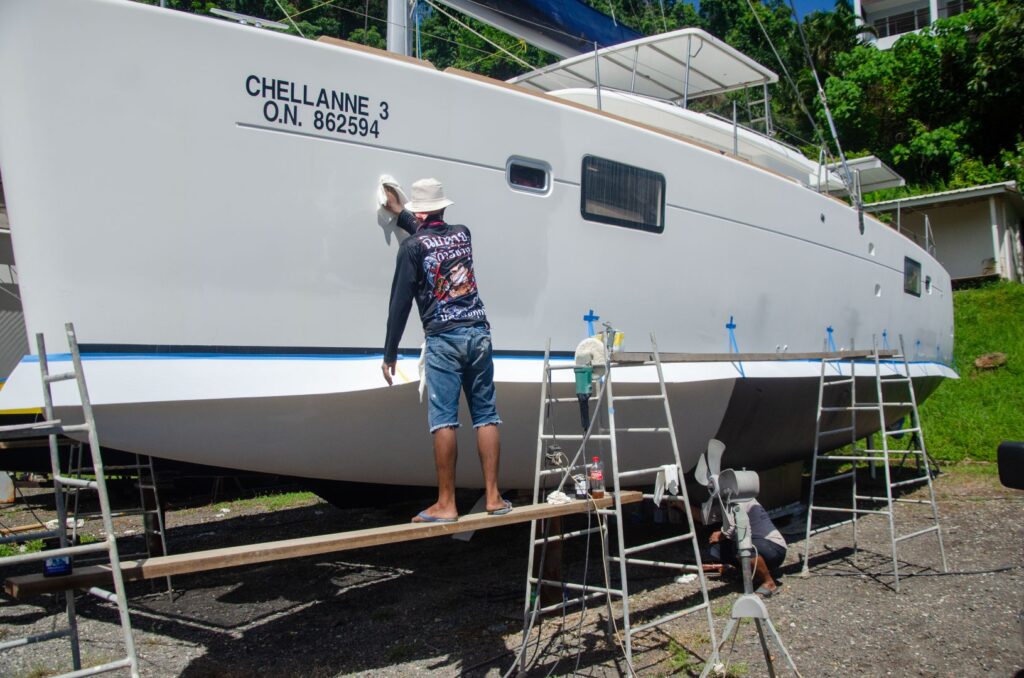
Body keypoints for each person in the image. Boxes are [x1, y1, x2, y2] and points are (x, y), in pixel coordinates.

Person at [380, 178, 510, 523]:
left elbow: (400, 303)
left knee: (444, 421)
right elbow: (432, 234)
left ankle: (446, 504)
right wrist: (402, 215)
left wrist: (389, 352)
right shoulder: (463, 234)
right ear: (443, 207)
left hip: (445, 339)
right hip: (479, 333)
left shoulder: (411, 248)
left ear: (418, 210)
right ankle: (494, 496)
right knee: (486, 415)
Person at [709, 498, 787, 596]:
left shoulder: (741, 498)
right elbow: (705, 516)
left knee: (743, 546)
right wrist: (684, 504)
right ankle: (754, 573)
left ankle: (769, 583)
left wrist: (721, 535)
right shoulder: (726, 500)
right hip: (762, 546)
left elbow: (733, 527)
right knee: (716, 551)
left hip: (774, 547)